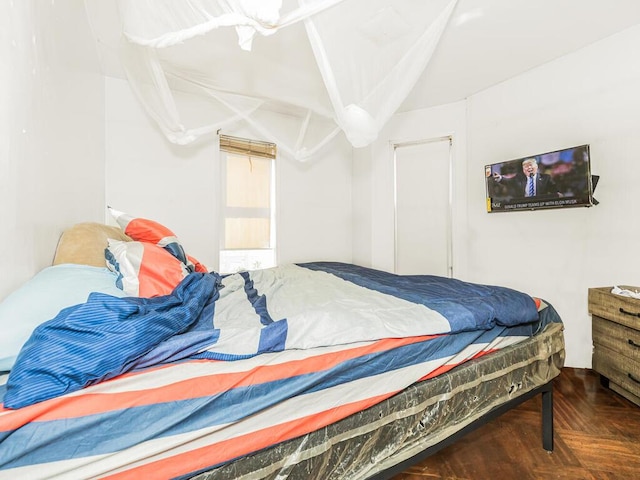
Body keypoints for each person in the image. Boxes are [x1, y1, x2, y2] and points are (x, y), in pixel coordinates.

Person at [492, 157, 561, 199]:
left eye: (531, 165)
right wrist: (499, 178)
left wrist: (557, 193)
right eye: (526, 167)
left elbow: (553, 188)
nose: (529, 168)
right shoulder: (519, 178)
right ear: (523, 170)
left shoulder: (546, 178)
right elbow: (509, 181)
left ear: (536, 167)